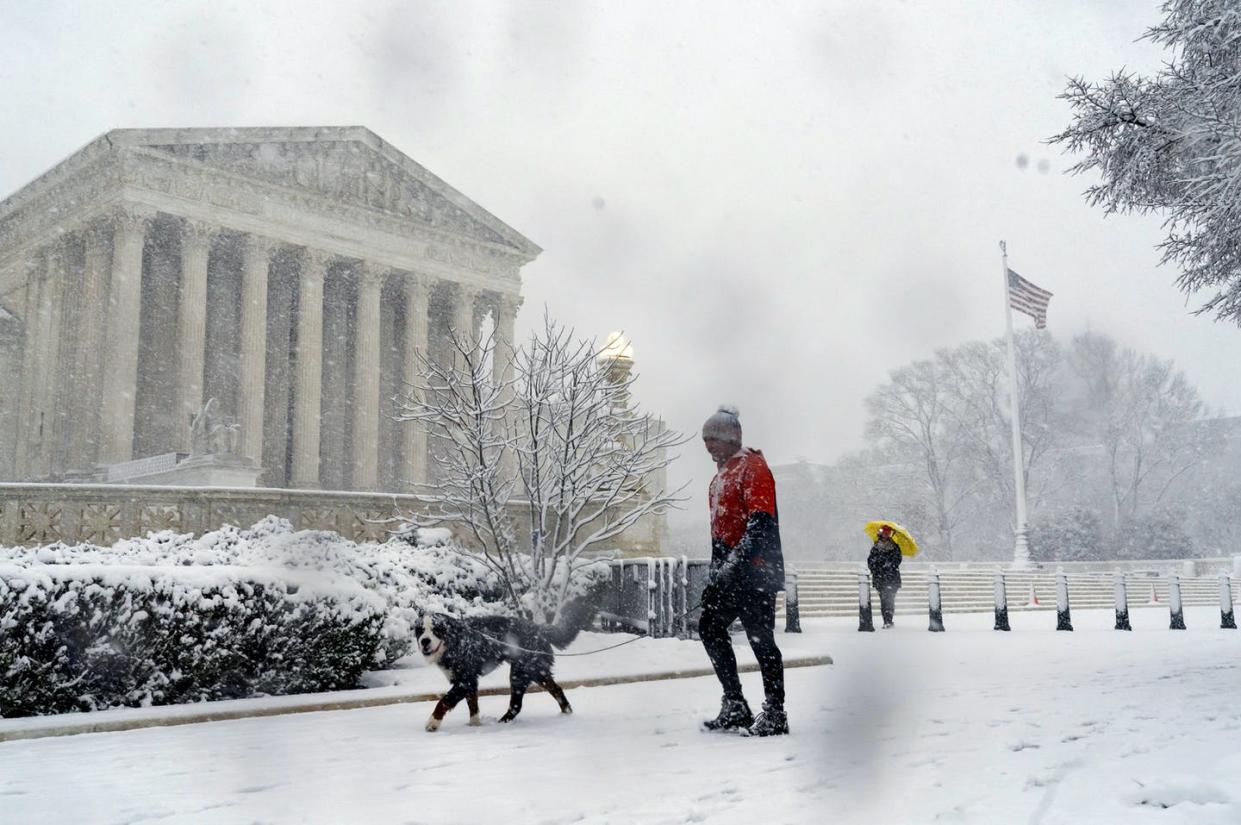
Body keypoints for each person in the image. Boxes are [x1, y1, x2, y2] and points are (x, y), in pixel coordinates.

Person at [698, 405, 787, 736]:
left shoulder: (754, 468)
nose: (710, 451)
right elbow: (719, 534)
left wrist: (734, 565)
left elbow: (760, 525)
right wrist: (716, 575)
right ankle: (735, 704)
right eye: (707, 446)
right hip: (730, 572)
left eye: (714, 444)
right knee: (709, 627)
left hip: (757, 571)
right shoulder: (718, 478)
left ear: (732, 438)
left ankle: (775, 712)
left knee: (761, 640)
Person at [868, 524, 903, 628]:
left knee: (890, 599)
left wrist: (889, 564)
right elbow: (870, 561)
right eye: (884, 531)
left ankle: (889, 620)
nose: (886, 534)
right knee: (883, 600)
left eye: (888, 532)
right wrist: (878, 566)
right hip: (880, 578)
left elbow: (898, 560)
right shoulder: (875, 547)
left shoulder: (895, 546)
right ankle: (886, 620)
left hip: (892, 578)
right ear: (881, 533)